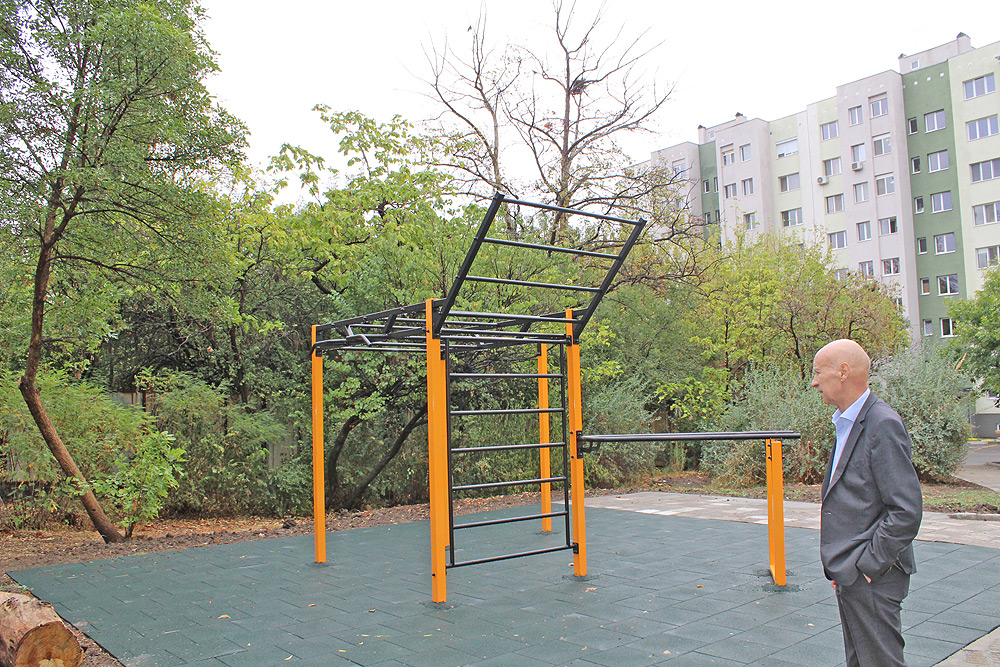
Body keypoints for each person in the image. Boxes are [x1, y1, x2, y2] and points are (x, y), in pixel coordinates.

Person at [811, 339, 922, 667]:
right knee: (860, 661)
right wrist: (843, 564)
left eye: (818, 372)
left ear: (843, 372)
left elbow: (906, 511)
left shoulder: (881, 423)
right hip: (852, 572)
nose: (814, 382)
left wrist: (866, 567)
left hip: (873, 575)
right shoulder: (847, 422)